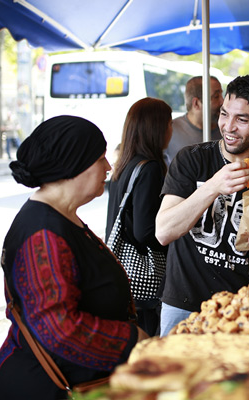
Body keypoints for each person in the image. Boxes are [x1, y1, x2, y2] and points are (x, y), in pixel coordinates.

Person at [0, 116, 148, 400]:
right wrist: (133, 341)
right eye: (100, 158)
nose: (108, 167)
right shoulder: (41, 233)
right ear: (74, 165)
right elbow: (58, 329)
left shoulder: (61, 217)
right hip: (46, 389)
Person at [155, 75, 249, 336]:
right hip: (181, 303)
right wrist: (213, 186)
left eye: (242, 119)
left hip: (235, 309)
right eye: (224, 114)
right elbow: (163, 232)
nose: (228, 127)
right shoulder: (192, 160)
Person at [106, 98, 172, 336]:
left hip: (123, 271)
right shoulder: (150, 168)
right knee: (145, 341)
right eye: (168, 123)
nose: (171, 129)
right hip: (143, 273)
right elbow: (144, 231)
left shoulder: (124, 164)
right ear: (156, 128)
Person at [164, 76, 224, 164]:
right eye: (216, 96)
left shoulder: (226, 131)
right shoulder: (170, 131)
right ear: (196, 103)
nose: (222, 101)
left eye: (222, 95)